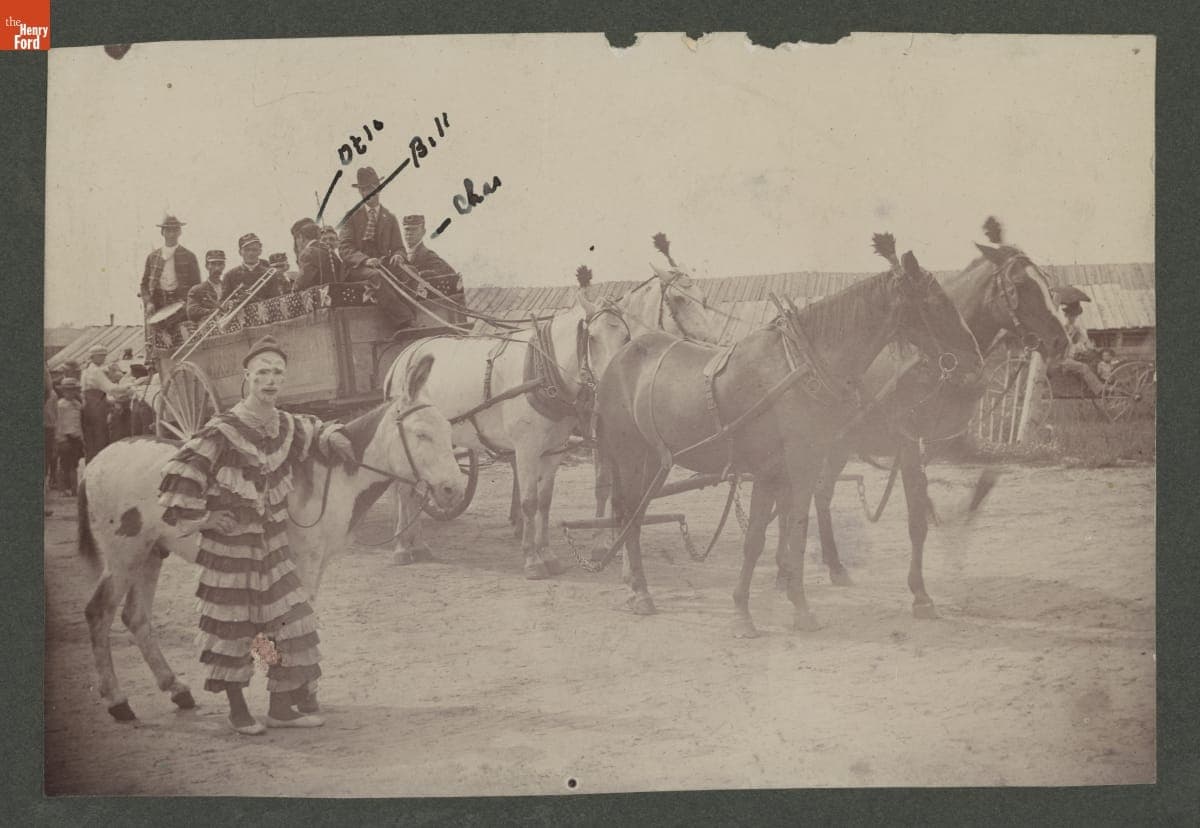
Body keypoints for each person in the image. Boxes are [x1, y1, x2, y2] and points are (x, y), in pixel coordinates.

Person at [158, 335, 358, 735]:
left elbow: (314, 430)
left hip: (273, 547)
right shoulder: (223, 429)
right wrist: (208, 518)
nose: (270, 380)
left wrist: (333, 435)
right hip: (231, 551)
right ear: (246, 376)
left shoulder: (285, 424)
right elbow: (180, 476)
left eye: (277, 373)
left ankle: (281, 708)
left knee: (292, 619)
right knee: (235, 627)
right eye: (262, 372)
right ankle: (238, 711)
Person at [337, 166, 414, 327]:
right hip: (357, 268)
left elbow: (399, 247)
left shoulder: (390, 218)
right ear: (360, 192)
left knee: (410, 272)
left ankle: (414, 314)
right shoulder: (350, 217)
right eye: (364, 190)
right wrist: (365, 260)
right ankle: (405, 322)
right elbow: (344, 249)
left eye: (373, 188)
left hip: (383, 264)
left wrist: (398, 255)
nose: (369, 193)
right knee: (375, 276)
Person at [140, 215, 201, 316]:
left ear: (180, 232)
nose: (172, 235)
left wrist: (189, 304)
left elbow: (196, 285)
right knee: (158, 331)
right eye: (168, 231)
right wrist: (148, 302)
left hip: (181, 304)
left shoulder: (189, 256)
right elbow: (144, 285)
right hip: (157, 304)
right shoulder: (153, 257)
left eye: (175, 230)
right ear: (162, 232)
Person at [81, 344, 124, 460]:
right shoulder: (95, 371)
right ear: (93, 357)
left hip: (88, 406)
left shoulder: (86, 371)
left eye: (104, 356)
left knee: (90, 437)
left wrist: (110, 401)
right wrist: (128, 388)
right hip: (96, 406)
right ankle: (99, 461)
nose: (104, 358)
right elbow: (109, 388)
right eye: (101, 356)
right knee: (100, 435)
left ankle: (90, 461)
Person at [1058, 301, 1107, 396]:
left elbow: (1085, 343)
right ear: (1066, 315)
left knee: (1090, 362)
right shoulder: (1061, 328)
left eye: (1075, 316)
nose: (1073, 318)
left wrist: (1091, 348)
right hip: (1061, 360)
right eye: (1071, 315)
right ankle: (1100, 390)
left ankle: (1091, 386)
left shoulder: (1075, 329)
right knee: (1083, 367)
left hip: (1068, 358)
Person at [222, 233, 286, 302]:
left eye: (254, 250)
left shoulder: (270, 274)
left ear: (260, 251)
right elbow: (223, 302)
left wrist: (254, 300)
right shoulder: (229, 275)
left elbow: (276, 302)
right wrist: (233, 302)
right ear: (240, 252)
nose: (251, 253)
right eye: (247, 250)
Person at [294, 219, 343, 291]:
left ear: (301, 237)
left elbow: (302, 282)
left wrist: (294, 289)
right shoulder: (330, 252)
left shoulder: (308, 252)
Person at [55, 377, 84, 496]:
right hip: (64, 437)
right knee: (63, 464)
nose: (70, 393)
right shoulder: (60, 405)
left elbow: (79, 422)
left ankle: (73, 488)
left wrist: (81, 436)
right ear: (63, 392)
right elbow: (58, 422)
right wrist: (59, 438)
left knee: (74, 464)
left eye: (73, 390)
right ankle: (62, 489)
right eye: (67, 391)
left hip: (76, 437)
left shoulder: (78, 404)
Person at [187, 250, 227, 322]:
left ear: (224, 266)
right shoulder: (197, 289)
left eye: (220, 264)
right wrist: (212, 311)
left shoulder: (228, 287)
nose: (217, 268)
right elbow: (192, 311)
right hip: (209, 327)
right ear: (207, 266)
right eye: (213, 264)